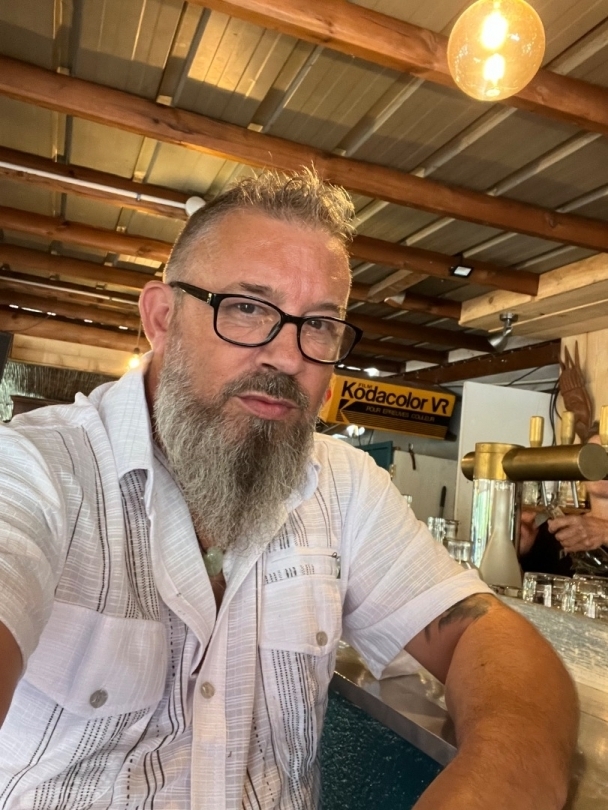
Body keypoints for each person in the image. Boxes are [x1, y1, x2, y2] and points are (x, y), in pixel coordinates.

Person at [0, 170, 577, 810]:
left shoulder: (343, 486)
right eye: (247, 308)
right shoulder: (37, 470)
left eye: (320, 324)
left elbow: (482, 636)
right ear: (162, 317)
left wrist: (500, 774)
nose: (289, 357)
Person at [520, 428, 608, 575]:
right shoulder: (558, 529)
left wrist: (604, 532)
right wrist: (522, 550)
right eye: (593, 458)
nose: (603, 466)